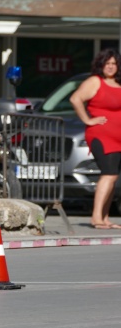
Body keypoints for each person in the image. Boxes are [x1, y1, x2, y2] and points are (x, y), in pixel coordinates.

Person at [70, 49, 121, 229]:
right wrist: (86, 119)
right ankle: (96, 217)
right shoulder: (94, 82)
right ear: (101, 64)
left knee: (113, 177)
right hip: (102, 135)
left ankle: (105, 218)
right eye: (107, 63)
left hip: (118, 137)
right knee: (109, 174)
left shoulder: (118, 83)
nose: (110, 67)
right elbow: (75, 99)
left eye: (114, 63)